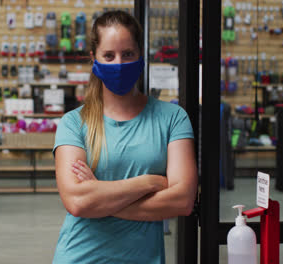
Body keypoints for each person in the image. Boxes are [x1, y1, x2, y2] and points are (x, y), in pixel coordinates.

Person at [52, 10, 198, 264]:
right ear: (94, 59)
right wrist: (150, 182)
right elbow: (77, 201)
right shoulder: (73, 123)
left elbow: (183, 200)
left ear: (140, 55)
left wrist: (99, 197)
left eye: (128, 54)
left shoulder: (172, 118)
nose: (119, 64)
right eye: (109, 55)